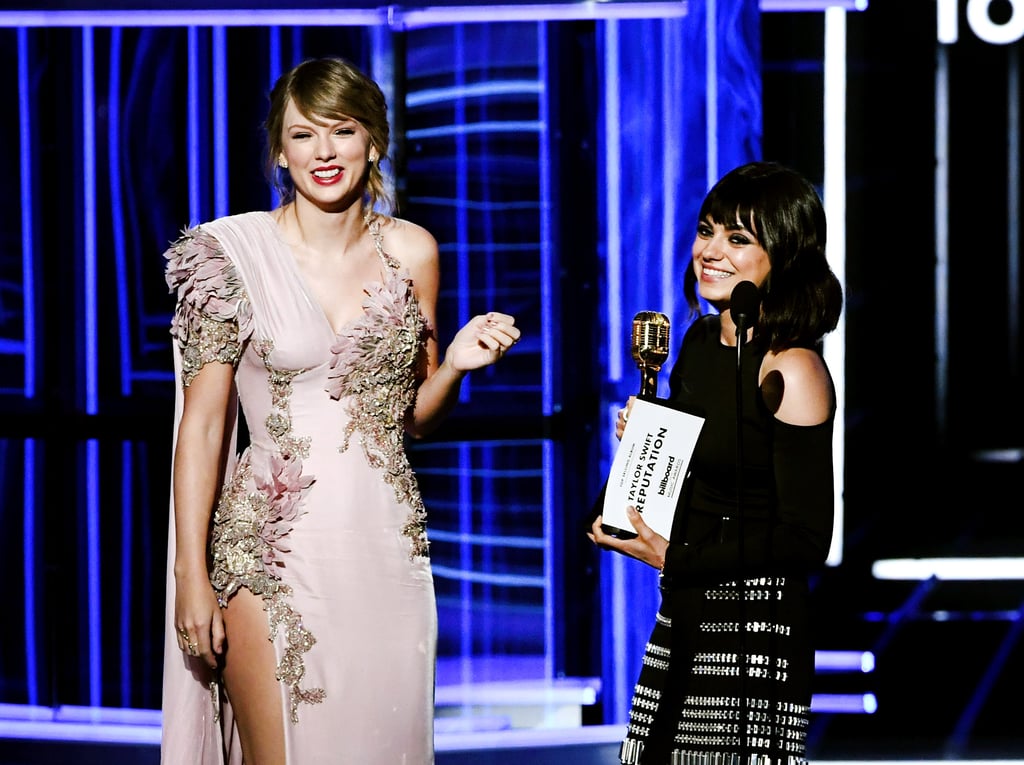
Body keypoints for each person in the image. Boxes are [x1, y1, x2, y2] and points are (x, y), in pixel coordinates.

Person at [159, 56, 521, 765]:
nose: (323, 153)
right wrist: (190, 577)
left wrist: (453, 366)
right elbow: (201, 427)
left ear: (374, 141)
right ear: (279, 152)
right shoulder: (229, 254)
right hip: (268, 558)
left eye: (342, 131)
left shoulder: (412, 251)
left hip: (386, 554)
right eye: (302, 136)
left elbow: (413, 417)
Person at [589, 160, 843, 764]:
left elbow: (807, 538)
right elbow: (700, 479)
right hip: (683, 608)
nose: (711, 251)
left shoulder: (792, 366)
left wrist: (678, 557)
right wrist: (647, 446)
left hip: (757, 629)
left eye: (738, 238)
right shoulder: (700, 344)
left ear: (783, 255)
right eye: (707, 231)